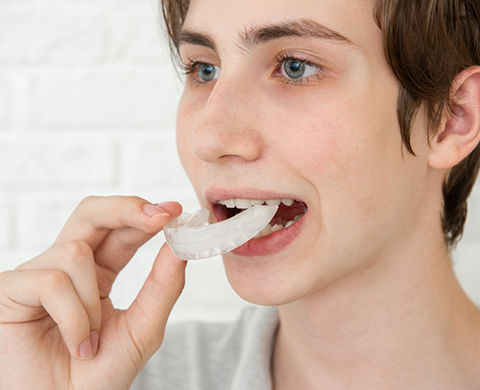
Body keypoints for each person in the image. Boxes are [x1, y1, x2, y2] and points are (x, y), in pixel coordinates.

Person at [1, 0, 480, 388]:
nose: (207, 137)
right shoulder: (105, 378)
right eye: (204, 70)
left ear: (451, 118)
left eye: (295, 67)